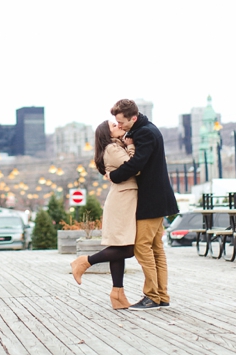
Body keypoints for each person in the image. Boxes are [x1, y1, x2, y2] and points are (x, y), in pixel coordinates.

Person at [105, 99, 178, 311]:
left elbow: (137, 164)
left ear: (133, 118)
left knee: (142, 246)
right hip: (158, 198)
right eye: (116, 123)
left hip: (151, 199)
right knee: (156, 248)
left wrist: (114, 175)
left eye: (122, 122)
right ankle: (161, 295)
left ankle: (152, 296)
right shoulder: (147, 129)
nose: (120, 125)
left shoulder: (144, 133)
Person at [70, 120, 138, 309]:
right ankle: (84, 261)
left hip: (125, 198)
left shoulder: (115, 146)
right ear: (107, 134)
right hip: (122, 200)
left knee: (120, 248)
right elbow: (133, 167)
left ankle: (118, 294)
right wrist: (131, 146)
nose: (118, 126)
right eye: (114, 126)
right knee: (128, 249)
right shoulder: (111, 148)